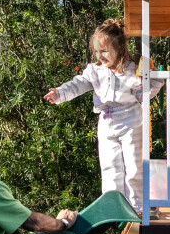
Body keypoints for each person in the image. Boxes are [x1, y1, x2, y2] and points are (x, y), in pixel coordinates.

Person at [43, 18, 163, 213]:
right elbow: (78, 83)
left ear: (120, 48)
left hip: (131, 118)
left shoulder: (133, 69)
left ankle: (139, 204)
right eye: (97, 52)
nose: (100, 56)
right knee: (110, 165)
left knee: (134, 165)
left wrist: (155, 79)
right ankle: (114, 204)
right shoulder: (95, 70)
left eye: (104, 51)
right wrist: (59, 93)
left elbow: (143, 95)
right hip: (106, 120)